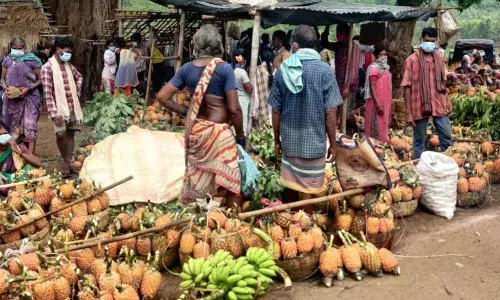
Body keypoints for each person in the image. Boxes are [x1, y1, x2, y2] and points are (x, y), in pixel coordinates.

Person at [156, 24, 244, 208]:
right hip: (219, 134)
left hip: (197, 132)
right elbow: (235, 109)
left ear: (196, 46)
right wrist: (241, 135)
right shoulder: (224, 68)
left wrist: (185, 112)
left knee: (201, 178)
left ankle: (201, 215)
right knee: (229, 183)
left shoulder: (186, 69)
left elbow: (162, 96)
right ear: (217, 45)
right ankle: (227, 220)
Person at [268, 25, 343, 211]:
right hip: (315, 142)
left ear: (294, 45)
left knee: (290, 185)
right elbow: (330, 112)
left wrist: (276, 140)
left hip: (290, 141)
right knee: (309, 190)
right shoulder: (325, 71)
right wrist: (332, 143)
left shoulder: (283, 70)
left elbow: (275, 110)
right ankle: (306, 226)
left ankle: (292, 228)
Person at [402, 27, 452, 159]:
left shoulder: (440, 58)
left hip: (439, 103)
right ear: (421, 39)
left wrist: (448, 101)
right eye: (427, 40)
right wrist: (408, 112)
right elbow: (406, 86)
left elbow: (443, 81)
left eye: (432, 41)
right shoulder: (411, 60)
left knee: (446, 136)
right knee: (419, 140)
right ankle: (419, 166)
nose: (429, 43)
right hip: (419, 104)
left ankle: (447, 164)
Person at [41, 37, 83, 178]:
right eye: (66, 51)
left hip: (71, 106)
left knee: (70, 133)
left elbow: (79, 77)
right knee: (60, 134)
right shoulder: (47, 67)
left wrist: (76, 90)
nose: (68, 54)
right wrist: (54, 113)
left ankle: (67, 162)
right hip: (58, 109)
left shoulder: (68, 66)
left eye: (70, 52)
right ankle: (66, 161)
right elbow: (47, 92)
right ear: (58, 50)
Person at [1, 37, 43, 154]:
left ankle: (30, 156)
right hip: (11, 98)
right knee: (11, 126)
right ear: (10, 47)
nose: (16, 50)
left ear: (24, 48)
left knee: (30, 125)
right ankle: (12, 155)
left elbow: (41, 79)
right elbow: (2, 78)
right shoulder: (7, 60)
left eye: (19, 49)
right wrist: (7, 89)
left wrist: (28, 88)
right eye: (14, 48)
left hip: (30, 97)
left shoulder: (33, 60)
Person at [364, 45, 392, 144]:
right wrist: (378, 103)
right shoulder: (374, 68)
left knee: (383, 123)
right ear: (376, 56)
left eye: (385, 54)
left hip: (385, 100)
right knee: (375, 123)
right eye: (381, 54)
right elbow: (372, 87)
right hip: (376, 101)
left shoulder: (386, 68)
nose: (384, 57)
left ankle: (382, 144)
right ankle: (373, 145)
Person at [321, 23, 350, 95]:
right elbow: (324, 43)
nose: (338, 35)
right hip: (338, 80)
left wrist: (348, 86)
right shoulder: (338, 46)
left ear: (347, 34)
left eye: (340, 33)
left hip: (348, 84)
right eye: (337, 33)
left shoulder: (353, 47)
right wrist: (327, 27)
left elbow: (354, 70)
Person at [233, 48, 253, 135]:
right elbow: (250, 89)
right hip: (243, 102)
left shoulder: (230, 69)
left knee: (234, 127)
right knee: (243, 127)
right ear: (243, 59)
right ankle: (242, 146)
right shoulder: (241, 72)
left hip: (233, 100)